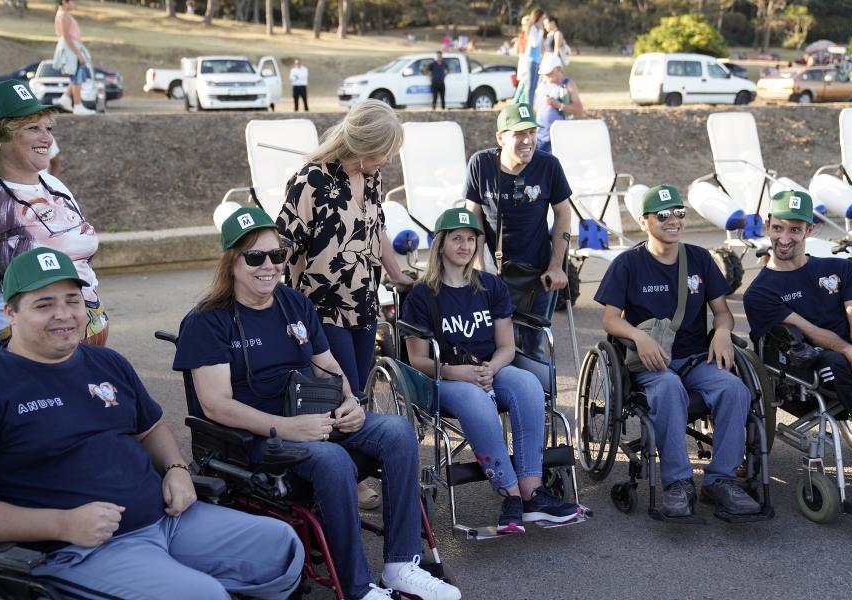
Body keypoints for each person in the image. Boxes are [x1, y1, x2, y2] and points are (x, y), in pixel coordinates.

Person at [0, 247, 304, 600]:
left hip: (169, 519)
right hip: (81, 548)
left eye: (73, 301)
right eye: (44, 304)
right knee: (202, 595)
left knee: (281, 546)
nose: (63, 315)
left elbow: (151, 428)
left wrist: (176, 469)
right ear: (11, 313)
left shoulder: (106, 362)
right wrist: (61, 524)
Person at [173, 208, 462, 600]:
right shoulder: (208, 320)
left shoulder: (293, 304)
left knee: (395, 431)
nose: (269, 266)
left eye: (277, 255)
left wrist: (350, 400)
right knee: (332, 460)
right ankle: (358, 587)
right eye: (255, 257)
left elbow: (327, 366)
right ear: (231, 261)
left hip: (315, 417)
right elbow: (216, 405)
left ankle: (401, 565)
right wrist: (286, 429)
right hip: (255, 439)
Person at [401, 208, 582, 534]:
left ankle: (532, 493)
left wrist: (490, 368)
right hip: (445, 378)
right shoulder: (422, 294)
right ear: (441, 243)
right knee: (476, 400)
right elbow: (418, 361)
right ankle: (509, 494)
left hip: (490, 368)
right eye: (457, 238)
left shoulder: (490, 286)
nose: (465, 245)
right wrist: (459, 373)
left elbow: (507, 347)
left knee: (527, 384)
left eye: (471, 239)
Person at [595, 185, 760, 518]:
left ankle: (720, 481)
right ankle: (678, 483)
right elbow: (610, 320)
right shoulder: (628, 264)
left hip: (696, 358)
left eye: (680, 214)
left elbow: (722, 312)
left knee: (734, 389)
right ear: (643, 222)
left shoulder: (699, 258)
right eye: (663, 215)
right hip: (652, 362)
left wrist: (724, 332)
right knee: (668, 388)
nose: (674, 221)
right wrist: (638, 337)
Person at [277, 99, 415, 396]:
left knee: (361, 393)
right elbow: (281, 246)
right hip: (321, 307)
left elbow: (376, 228)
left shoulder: (371, 177)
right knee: (344, 392)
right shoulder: (310, 181)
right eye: (385, 151)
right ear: (364, 146)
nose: (389, 160)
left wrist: (398, 275)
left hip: (364, 303)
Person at [0, 79, 108, 346]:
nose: (47, 138)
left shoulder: (53, 185)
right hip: (28, 354)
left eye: (48, 127)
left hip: (87, 340)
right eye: (33, 128)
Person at [463, 103, 572, 359]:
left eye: (532, 132)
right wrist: (478, 266)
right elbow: (473, 217)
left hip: (539, 272)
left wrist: (556, 266)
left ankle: (539, 398)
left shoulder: (549, 165)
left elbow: (563, 213)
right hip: (495, 273)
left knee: (534, 347)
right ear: (500, 138)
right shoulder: (480, 164)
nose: (528, 140)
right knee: (495, 345)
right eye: (519, 134)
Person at [743, 191, 852, 421]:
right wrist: (848, 351)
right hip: (807, 366)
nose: (784, 238)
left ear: (809, 230)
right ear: (767, 226)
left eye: (794, 229)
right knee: (834, 361)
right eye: (778, 228)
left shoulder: (841, 268)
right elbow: (810, 332)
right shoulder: (759, 293)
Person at [533, 55, 583, 154]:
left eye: (549, 73)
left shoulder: (568, 84)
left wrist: (558, 105)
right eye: (546, 74)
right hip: (540, 135)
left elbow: (579, 109)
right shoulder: (543, 83)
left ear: (559, 69)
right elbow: (536, 107)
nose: (547, 76)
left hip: (558, 137)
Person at [53, 0, 95, 115]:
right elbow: (67, 37)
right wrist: (78, 53)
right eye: (72, 1)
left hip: (70, 47)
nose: (74, 3)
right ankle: (78, 105)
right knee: (77, 77)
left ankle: (65, 98)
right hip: (71, 48)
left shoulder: (61, 13)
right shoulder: (64, 15)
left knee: (76, 76)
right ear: (64, 2)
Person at [521, 9, 544, 107]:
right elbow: (535, 43)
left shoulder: (538, 29)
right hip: (531, 60)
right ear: (538, 17)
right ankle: (528, 107)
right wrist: (541, 31)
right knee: (529, 86)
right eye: (543, 17)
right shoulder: (533, 28)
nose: (544, 19)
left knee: (534, 85)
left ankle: (530, 105)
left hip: (536, 60)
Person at [511, 15, 529, 103]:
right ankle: (513, 108)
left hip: (530, 67)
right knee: (521, 90)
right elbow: (516, 52)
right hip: (523, 67)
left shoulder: (533, 36)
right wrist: (518, 42)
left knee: (524, 91)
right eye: (523, 24)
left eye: (526, 24)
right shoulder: (521, 37)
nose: (524, 26)